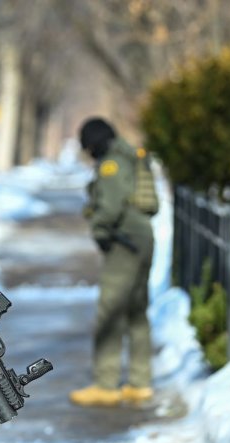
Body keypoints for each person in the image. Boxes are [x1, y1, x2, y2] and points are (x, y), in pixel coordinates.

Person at [69, 117, 156, 407]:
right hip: (141, 237)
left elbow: (111, 205)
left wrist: (100, 230)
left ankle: (106, 385)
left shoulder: (112, 164)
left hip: (125, 241)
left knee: (110, 310)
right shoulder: (127, 155)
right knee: (136, 310)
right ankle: (140, 382)